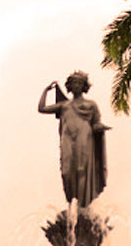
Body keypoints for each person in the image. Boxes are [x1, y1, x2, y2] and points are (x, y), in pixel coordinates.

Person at [38, 71, 109, 207]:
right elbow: (42, 108)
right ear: (69, 86)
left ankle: (81, 206)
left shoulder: (91, 105)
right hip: (67, 138)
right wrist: (46, 91)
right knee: (66, 172)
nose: (76, 85)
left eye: (79, 83)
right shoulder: (64, 105)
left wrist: (100, 128)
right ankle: (71, 202)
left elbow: (96, 123)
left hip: (84, 136)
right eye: (74, 83)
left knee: (81, 170)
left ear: (84, 86)